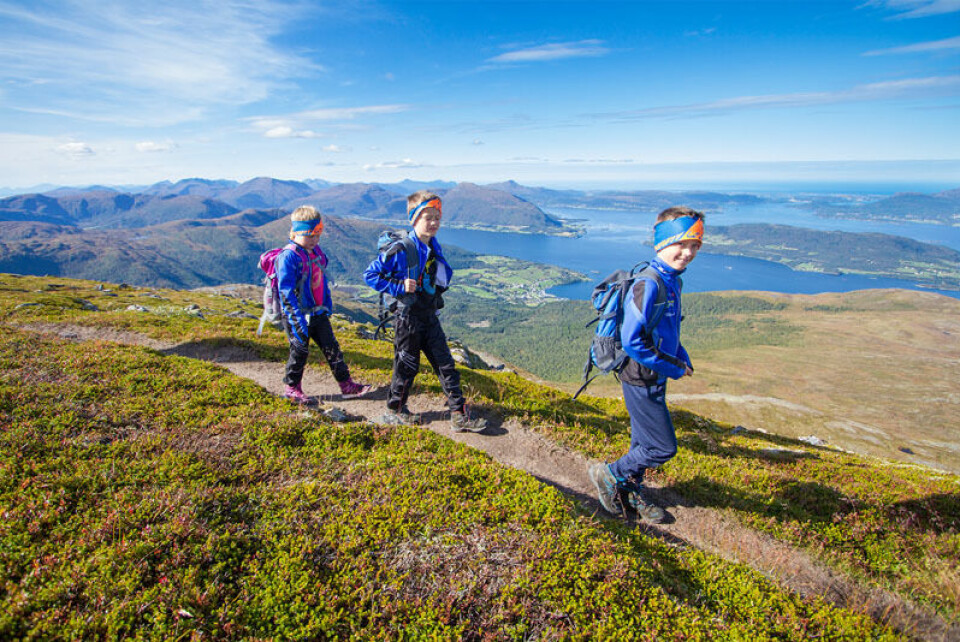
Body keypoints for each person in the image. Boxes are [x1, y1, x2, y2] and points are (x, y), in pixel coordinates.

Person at [588, 206, 704, 524]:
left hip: (655, 372)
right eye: (682, 243)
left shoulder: (672, 281)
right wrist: (675, 368)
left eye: (695, 245)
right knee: (662, 447)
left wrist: (681, 357)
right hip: (641, 375)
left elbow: (669, 330)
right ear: (661, 242)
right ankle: (609, 475)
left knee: (642, 441)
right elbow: (633, 341)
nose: (688, 252)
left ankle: (629, 489)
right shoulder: (649, 284)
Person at [364, 191, 487, 432]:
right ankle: (395, 410)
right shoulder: (401, 249)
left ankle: (459, 414)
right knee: (407, 366)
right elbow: (369, 275)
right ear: (413, 219)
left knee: (445, 363)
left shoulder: (432, 244)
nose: (433, 223)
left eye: (437, 218)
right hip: (407, 318)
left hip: (429, 315)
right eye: (428, 217)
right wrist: (397, 286)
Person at [277, 205, 371, 405]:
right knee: (299, 351)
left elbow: (321, 278)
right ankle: (292, 388)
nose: (315, 240)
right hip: (297, 315)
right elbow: (285, 291)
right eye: (310, 235)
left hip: (318, 313)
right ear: (295, 232)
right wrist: (296, 319)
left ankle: (347, 386)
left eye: (318, 235)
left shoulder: (315, 251)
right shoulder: (288, 256)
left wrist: (327, 303)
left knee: (332, 348)